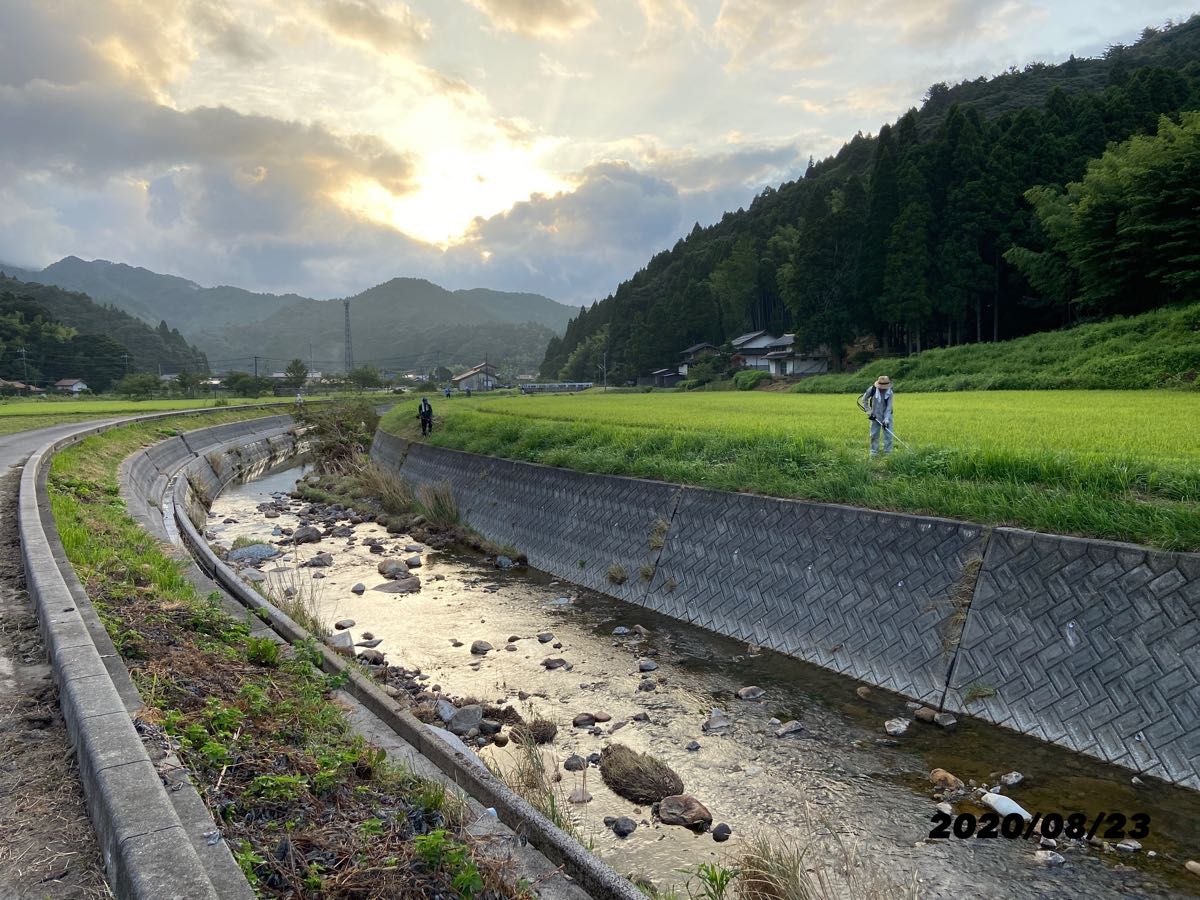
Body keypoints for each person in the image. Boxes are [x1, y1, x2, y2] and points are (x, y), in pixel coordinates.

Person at [860, 374, 894, 456]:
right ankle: (873, 453)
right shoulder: (872, 389)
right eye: (881, 387)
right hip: (875, 415)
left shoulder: (890, 392)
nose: (883, 389)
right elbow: (864, 400)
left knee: (888, 435)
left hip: (887, 414)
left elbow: (889, 407)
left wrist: (886, 419)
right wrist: (869, 412)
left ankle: (888, 453)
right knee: (874, 434)